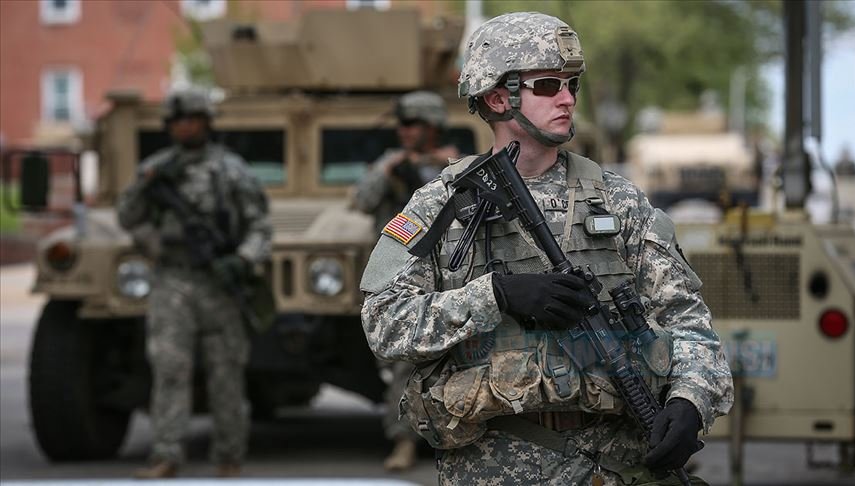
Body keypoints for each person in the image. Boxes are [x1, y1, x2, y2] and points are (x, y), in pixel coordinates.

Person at [359, 12, 733, 485]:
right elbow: (383, 323)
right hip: (498, 465)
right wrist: (495, 296)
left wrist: (689, 401)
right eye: (547, 85)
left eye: (572, 85)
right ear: (498, 96)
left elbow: (689, 322)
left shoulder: (616, 200)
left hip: (619, 464)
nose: (566, 98)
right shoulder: (441, 204)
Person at [117, 88, 272, 479]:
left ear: (206, 123)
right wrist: (149, 200)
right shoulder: (156, 170)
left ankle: (229, 456)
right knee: (169, 368)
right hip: (173, 279)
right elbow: (128, 216)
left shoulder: (231, 170)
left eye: (192, 119)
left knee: (226, 373)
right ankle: (166, 454)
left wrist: (242, 260)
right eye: (177, 120)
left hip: (220, 282)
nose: (185, 127)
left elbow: (260, 226)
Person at [352, 91, 459, 471]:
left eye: (413, 124)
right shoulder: (390, 164)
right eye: (402, 125)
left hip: (451, 275)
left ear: (432, 126)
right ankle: (403, 443)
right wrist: (387, 171)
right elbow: (362, 202)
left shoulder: (456, 163)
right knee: (403, 366)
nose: (405, 131)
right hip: (404, 276)